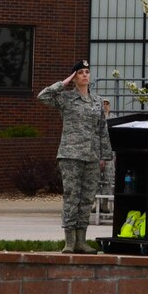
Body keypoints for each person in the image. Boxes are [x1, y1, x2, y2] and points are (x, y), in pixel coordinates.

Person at [39, 60, 111, 252]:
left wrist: (105, 156)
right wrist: (64, 82)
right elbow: (43, 96)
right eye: (80, 72)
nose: (85, 75)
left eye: (87, 72)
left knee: (87, 199)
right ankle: (69, 241)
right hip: (71, 155)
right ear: (74, 77)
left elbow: (102, 130)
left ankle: (81, 240)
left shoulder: (97, 101)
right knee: (72, 197)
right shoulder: (66, 98)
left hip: (92, 156)